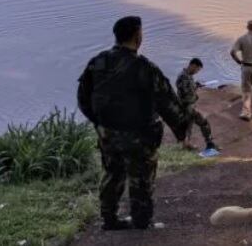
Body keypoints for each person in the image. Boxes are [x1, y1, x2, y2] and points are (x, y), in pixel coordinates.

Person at [77, 16, 188, 231]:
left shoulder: (97, 62)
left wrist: (100, 124)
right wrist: (181, 130)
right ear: (138, 36)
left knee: (112, 174)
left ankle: (109, 219)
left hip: (108, 134)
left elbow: (83, 98)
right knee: (141, 179)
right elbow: (167, 102)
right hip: (140, 135)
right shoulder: (144, 67)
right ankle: (141, 222)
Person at [175, 58, 217, 152]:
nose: (197, 72)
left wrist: (196, 85)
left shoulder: (188, 76)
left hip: (189, 106)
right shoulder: (183, 77)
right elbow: (185, 93)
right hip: (187, 106)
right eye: (197, 69)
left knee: (188, 127)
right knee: (203, 122)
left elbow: (188, 88)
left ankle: (186, 145)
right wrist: (194, 90)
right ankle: (210, 144)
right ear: (193, 65)